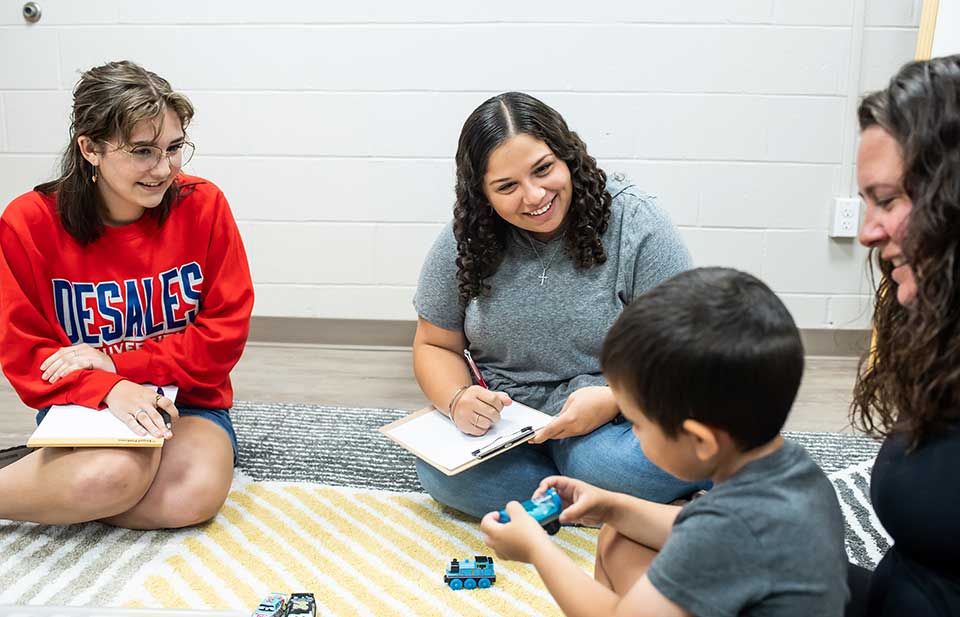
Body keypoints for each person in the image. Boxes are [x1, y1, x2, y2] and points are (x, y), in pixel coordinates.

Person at [481, 267, 849, 617]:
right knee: (617, 533)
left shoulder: (729, 530)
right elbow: (698, 524)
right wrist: (610, 506)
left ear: (700, 441)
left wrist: (538, 550)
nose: (633, 434)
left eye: (636, 424)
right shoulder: (796, 474)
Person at [413, 92, 707, 518]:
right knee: (444, 474)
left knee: (605, 463)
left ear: (567, 156)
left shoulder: (636, 222)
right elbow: (434, 344)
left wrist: (612, 400)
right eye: (507, 187)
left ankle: (571, 498)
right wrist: (459, 400)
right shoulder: (465, 240)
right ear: (483, 195)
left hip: (621, 412)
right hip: (512, 424)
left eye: (543, 169)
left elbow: (687, 351)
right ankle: (603, 504)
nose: (533, 197)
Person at [0, 60, 254, 530]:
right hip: (86, 400)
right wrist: (109, 386)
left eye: (174, 148)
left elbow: (222, 336)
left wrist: (119, 364)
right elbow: (26, 354)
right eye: (142, 151)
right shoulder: (28, 222)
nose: (164, 168)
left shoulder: (204, 205)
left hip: (189, 399)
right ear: (90, 148)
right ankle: (56, 484)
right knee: (114, 476)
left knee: (188, 500)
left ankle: (48, 484)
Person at [845, 54, 960, 616]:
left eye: (887, 201)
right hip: (895, 594)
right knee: (643, 540)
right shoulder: (942, 338)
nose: (867, 232)